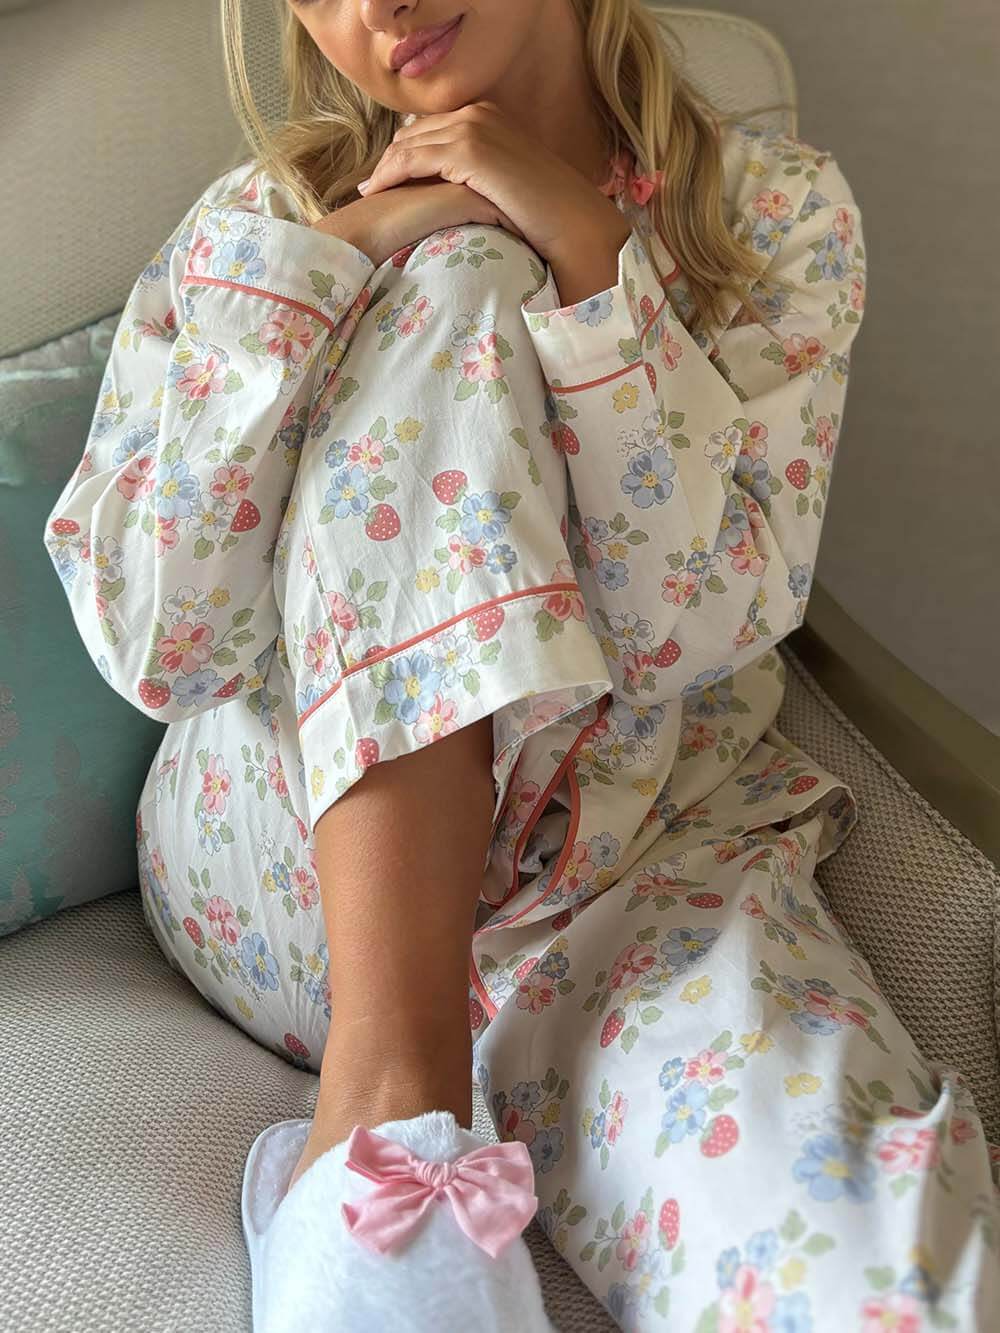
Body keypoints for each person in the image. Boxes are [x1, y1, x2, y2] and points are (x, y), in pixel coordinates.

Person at [42, 0, 1000, 1328]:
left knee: (875, 1279)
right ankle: (387, 1105)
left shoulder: (772, 214)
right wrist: (336, 263)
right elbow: (166, 644)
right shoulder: (260, 226)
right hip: (290, 880)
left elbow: (692, 629)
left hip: (628, 871)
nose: (376, 5)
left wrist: (598, 269)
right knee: (456, 275)